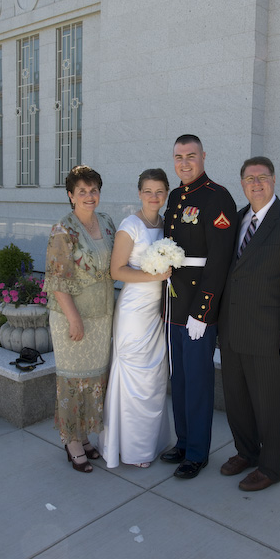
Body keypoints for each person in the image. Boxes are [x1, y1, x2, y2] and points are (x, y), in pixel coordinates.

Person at [218, 156, 280, 491]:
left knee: (270, 405)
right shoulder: (237, 219)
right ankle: (246, 452)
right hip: (233, 330)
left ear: (273, 180)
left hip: (270, 334)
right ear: (242, 184)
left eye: (262, 177)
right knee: (237, 400)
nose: (256, 183)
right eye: (249, 179)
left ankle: (271, 468)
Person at [160, 134, 238, 479]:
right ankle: (183, 441)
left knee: (198, 382)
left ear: (203, 156)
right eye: (179, 157)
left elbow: (219, 260)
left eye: (191, 156)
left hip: (197, 310)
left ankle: (196, 453)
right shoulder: (176, 196)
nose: (185, 163)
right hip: (174, 304)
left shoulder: (217, 197)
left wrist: (203, 311)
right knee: (179, 380)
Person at [43, 165, 116, 473]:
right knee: (73, 379)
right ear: (71, 195)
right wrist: (74, 319)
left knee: (94, 379)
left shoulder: (107, 222)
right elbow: (56, 280)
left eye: (93, 190)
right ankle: (71, 441)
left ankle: (84, 435)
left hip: (101, 314)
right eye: (82, 191)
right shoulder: (63, 230)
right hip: (72, 315)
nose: (89, 196)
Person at [99, 169, 172, 468]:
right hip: (133, 312)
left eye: (159, 191)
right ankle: (132, 449)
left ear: (166, 193)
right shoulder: (130, 226)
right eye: (148, 191)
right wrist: (154, 275)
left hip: (157, 312)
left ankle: (150, 443)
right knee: (135, 377)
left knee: (154, 378)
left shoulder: (166, 224)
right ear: (139, 193)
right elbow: (116, 271)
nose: (154, 197)